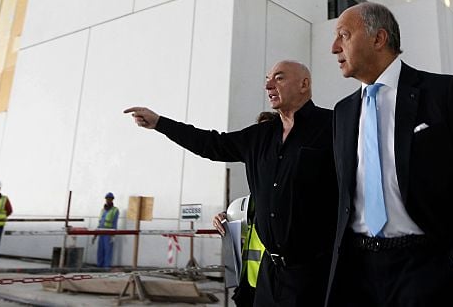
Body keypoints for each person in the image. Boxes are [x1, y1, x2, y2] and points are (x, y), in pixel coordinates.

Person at [326, 2, 453, 306]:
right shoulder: (343, 113)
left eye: (344, 35)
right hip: (357, 271)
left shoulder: (442, 93)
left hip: (427, 267)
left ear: (378, 38)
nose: (334, 48)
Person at [124, 60, 337, 307]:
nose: (268, 85)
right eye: (267, 79)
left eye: (278, 78)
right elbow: (211, 144)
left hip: (314, 276)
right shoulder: (260, 136)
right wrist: (160, 123)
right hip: (268, 276)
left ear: (304, 84)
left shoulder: (333, 126)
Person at [212, 111, 281, 307]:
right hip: (249, 287)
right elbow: (238, 228)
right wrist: (224, 219)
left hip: (277, 287)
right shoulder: (242, 205)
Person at [96, 192, 119, 268]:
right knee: (100, 249)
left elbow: (115, 222)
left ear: (112, 200)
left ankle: (106, 266)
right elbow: (100, 221)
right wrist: (96, 232)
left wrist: (113, 234)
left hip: (108, 233)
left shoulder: (115, 210)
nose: (108, 200)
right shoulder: (102, 210)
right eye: (107, 199)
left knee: (108, 249)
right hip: (101, 232)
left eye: (110, 199)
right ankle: (99, 265)